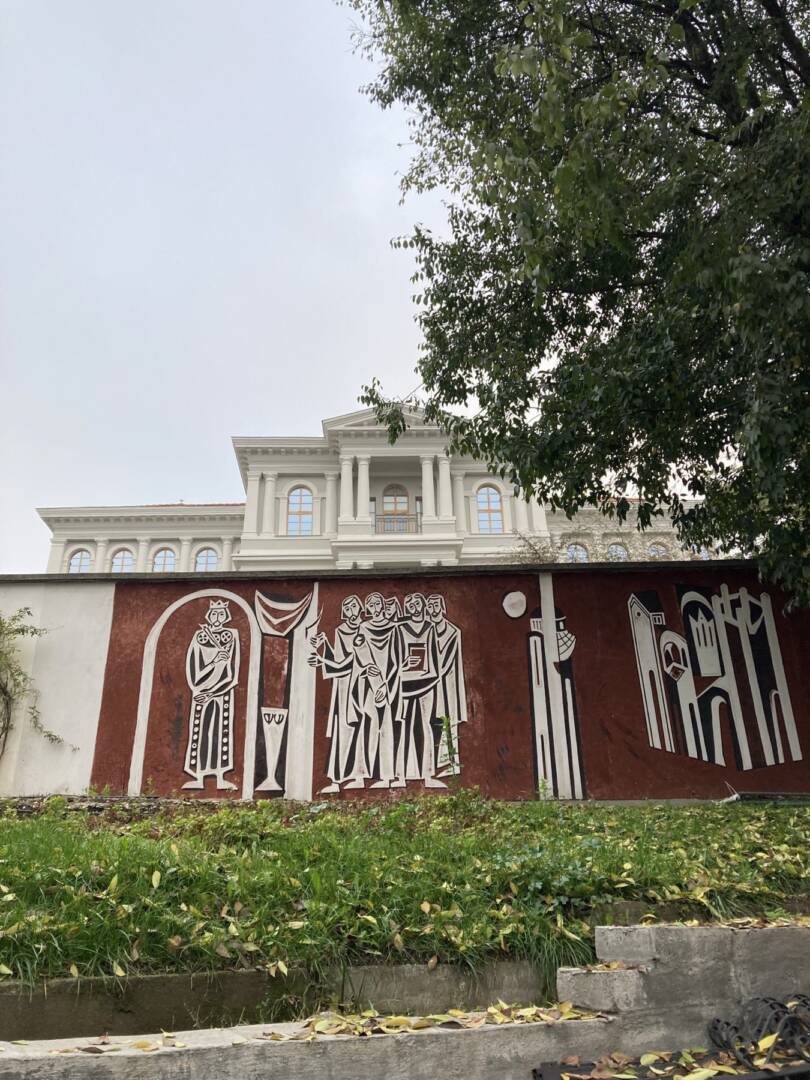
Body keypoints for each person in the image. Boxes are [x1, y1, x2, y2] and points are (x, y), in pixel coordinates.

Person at [309, 595, 367, 792]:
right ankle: (338, 779)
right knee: (342, 730)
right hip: (344, 687)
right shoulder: (340, 631)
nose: (351, 611)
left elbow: (354, 661)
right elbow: (340, 662)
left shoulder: (366, 630)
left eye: (354, 606)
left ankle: (360, 776)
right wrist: (325, 644)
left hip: (363, 684)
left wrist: (322, 661)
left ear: (360, 608)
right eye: (347, 608)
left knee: (362, 729)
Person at [183, 599, 240, 790]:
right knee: (200, 733)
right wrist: (214, 662)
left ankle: (220, 776)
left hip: (222, 693)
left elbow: (232, 673)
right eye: (214, 613)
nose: (217, 617)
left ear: (226, 616)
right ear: (209, 616)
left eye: (221, 614)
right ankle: (198, 776)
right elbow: (193, 669)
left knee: (221, 732)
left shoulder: (231, 636)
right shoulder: (199, 636)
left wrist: (215, 692)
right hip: (201, 693)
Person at [426, 593, 467, 776]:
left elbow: (443, 661)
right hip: (431, 685)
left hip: (447, 685)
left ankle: (452, 763)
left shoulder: (451, 632)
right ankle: (437, 764)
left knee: (448, 722)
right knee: (433, 723)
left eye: (436, 605)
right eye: (430, 606)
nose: (433, 609)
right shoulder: (428, 630)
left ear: (442, 607)